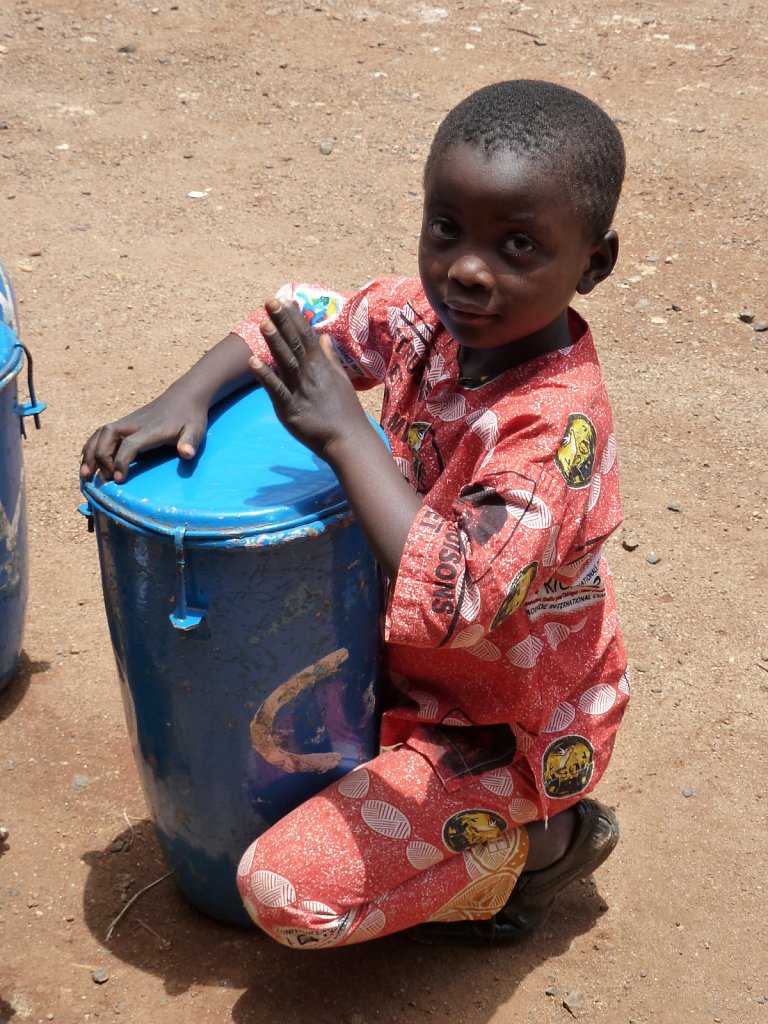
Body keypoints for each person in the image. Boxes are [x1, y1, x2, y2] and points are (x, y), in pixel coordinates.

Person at [81, 79, 629, 948]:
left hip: (494, 732)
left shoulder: (551, 430)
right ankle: (425, 812)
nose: (468, 269)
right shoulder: (437, 325)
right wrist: (182, 397)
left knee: (279, 890)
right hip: (390, 682)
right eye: (446, 229)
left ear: (593, 265)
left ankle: (538, 844)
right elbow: (308, 320)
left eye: (519, 245)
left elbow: (455, 602)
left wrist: (346, 434)